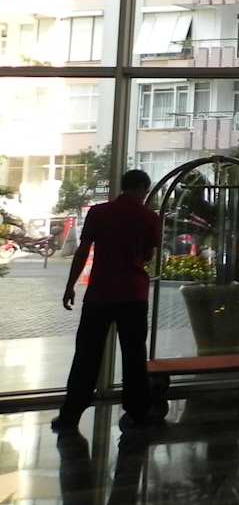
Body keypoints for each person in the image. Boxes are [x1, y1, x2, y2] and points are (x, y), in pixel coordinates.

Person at [51, 169, 162, 433]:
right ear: (143, 188)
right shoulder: (149, 217)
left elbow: (83, 250)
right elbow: (147, 255)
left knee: (87, 355)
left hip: (100, 293)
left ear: (123, 186)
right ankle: (138, 411)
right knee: (134, 355)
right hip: (133, 294)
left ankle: (71, 413)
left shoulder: (98, 212)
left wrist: (70, 285)